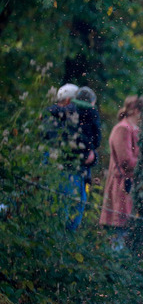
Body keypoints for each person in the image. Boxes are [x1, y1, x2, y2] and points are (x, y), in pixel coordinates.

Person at [99, 96, 143, 250]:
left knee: (125, 233)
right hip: (121, 187)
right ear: (136, 110)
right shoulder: (123, 129)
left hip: (130, 187)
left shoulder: (134, 129)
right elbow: (126, 161)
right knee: (118, 233)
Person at [44, 82, 87, 232]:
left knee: (73, 213)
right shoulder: (54, 118)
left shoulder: (69, 119)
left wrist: (92, 156)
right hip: (63, 174)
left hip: (76, 174)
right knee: (62, 216)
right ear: (69, 101)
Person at [72, 86, 102, 194]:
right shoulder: (92, 112)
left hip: (69, 153)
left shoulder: (70, 109)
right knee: (83, 188)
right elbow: (97, 136)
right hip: (86, 155)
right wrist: (92, 148)